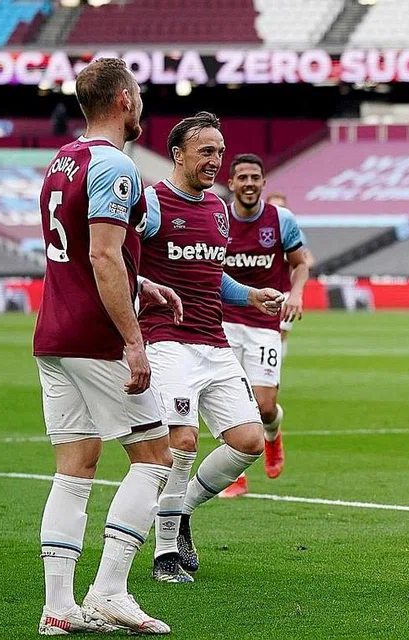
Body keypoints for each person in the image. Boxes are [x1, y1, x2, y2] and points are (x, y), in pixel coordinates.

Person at [34, 57, 179, 635]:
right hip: (97, 339)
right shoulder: (115, 166)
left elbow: (77, 255)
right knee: (154, 460)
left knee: (75, 468)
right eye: (138, 94)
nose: (140, 103)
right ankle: (110, 589)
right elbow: (98, 255)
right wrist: (135, 342)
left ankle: (58, 607)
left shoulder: (61, 162)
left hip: (54, 335)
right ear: (123, 98)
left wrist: (143, 280)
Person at [141, 112, 283, 583]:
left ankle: (179, 512)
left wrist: (250, 295)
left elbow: (210, 275)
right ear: (178, 154)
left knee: (248, 441)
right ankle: (165, 554)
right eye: (207, 151)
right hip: (166, 340)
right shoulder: (153, 203)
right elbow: (118, 260)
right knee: (181, 442)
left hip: (213, 341)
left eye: (220, 152)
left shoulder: (218, 209)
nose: (216, 160)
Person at [217, 154, 313, 498]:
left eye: (255, 177)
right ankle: (234, 474)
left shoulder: (280, 219)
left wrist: (297, 292)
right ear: (231, 183)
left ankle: (273, 436)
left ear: (263, 182)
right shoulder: (218, 217)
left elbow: (300, 263)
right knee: (229, 401)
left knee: (265, 406)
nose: (249, 183)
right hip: (223, 322)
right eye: (242, 177)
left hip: (263, 324)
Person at [264, 192, 308, 358]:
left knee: (280, 334)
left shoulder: (293, 232)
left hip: (284, 291)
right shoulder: (257, 229)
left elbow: (306, 260)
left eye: (281, 207)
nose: (278, 210)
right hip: (257, 292)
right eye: (274, 207)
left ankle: (274, 376)